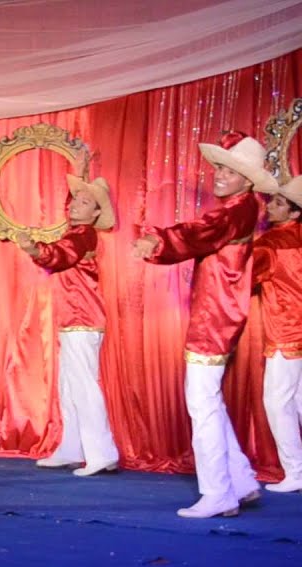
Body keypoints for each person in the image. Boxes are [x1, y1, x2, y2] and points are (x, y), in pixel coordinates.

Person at [132, 132, 269, 518]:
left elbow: (200, 231)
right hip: (219, 312)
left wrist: (158, 242)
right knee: (209, 398)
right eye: (219, 168)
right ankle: (241, 480)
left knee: (201, 402)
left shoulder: (235, 210)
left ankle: (217, 493)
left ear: (247, 180)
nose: (220, 175)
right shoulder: (243, 208)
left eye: (230, 171)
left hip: (216, 316)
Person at [12, 167, 121, 477]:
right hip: (73, 319)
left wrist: (34, 249)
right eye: (75, 200)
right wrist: (81, 169)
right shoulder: (76, 232)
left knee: (83, 386)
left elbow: (61, 254)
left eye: (84, 202)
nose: (74, 205)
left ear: (96, 213)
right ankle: (72, 449)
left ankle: (101, 453)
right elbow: (62, 248)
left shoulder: (83, 235)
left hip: (83, 318)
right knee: (70, 386)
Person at [254, 175, 302, 494]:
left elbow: (244, 275)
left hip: (286, 329)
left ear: (295, 212)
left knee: (277, 401)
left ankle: (295, 471)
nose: (270, 206)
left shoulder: (271, 243)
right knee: (298, 400)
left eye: (279, 203)